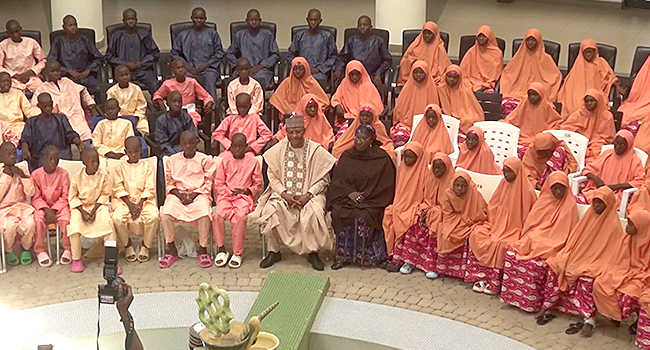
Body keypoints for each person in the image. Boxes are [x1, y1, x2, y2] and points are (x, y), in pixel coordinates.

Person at [253, 114, 337, 270]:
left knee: (314, 211)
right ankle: (274, 251)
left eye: (298, 132)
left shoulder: (315, 150)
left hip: (310, 195)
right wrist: (285, 194)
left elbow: (323, 179)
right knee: (271, 210)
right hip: (283, 194)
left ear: (304, 131)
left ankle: (313, 252)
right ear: (287, 132)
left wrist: (309, 194)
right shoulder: (278, 150)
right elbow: (272, 177)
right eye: (291, 132)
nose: (295, 136)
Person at [540, 186, 625, 337]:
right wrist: (570, 257)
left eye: (601, 203)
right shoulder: (588, 217)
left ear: (609, 204)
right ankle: (548, 305)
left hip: (598, 263)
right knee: (555, 265)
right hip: (577, 256)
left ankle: (589, 319)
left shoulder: (613, 226)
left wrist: (589, 263)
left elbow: (612, 254)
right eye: (595, 202)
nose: (597, 206)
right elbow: (574, 241)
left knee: (587, 279)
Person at [501, 172, 578, 314]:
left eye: (561, 188)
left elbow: (565, 235)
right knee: (511, 255)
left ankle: (532, 303)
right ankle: (513, 297)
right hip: (535, 239)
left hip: (553, 243)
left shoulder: (569, 206)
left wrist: (541, 239)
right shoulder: (543, 200)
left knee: (534, 260)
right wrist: (534, 237)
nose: (558, 191)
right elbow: (531, 224)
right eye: (555, 188)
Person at [327, 124, 395, 270]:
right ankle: (342, 255)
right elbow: (338, 181)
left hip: (372, 200)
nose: (359, 142)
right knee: (340, 213)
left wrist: (367, 196)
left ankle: (368, 257)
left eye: (363, 139)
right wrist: (350, 194)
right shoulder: (347, 156)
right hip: (347, 198)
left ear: (371, 140)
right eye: (357, 138)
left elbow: (386, 185)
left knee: (364, 215)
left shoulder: (382, 159)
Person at [467, 157, 537, 295]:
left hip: (516, 231)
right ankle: (481, 277)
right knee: (477, 234)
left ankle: (494, 283)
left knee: (501, 245)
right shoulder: (503, 184)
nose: (506, 175)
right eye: (504, 171)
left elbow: (531, 218)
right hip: (496, 226)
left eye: (509, 172)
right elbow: (493, 206)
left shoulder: (527, 191)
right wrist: (496, 224)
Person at [159, 131, 216, 269]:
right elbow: (169, 183)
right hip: (177, 195)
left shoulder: (205, 160)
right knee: (166, 213)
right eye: (185, 143)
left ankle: (203, 249)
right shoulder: (172, 160)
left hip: (199, 194)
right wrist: (179, 195)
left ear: (196, 144)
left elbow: (209, 183)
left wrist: (194, 194)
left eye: (191, 143)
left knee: (204, 213)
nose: (188, 146)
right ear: (181, 144)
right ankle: (171, 249)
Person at [393, 153, 454, 277]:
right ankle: (409, 261)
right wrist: (424, 210)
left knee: (433, 229)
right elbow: (424, 199)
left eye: (440, 168)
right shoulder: (429, 178)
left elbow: (450, 208)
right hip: (428, 209)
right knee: (413, 220)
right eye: (435, 168)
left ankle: (431, 266)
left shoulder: (452, 181)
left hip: (443, 216)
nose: (437, 171)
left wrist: (434, 212)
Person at [212, 133, 261, 269]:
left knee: (239, 217)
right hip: (226, 196)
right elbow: (219, 183)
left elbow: (258, 185)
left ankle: (237, 253)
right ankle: (221, 249)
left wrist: (247, 191)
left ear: (246, 147)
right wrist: (229, 193)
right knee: (217, 215)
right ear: (230, 147)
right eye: (235, 146)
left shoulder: (253, 162)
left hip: (244, 198)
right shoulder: (225, 162)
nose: (237, 150)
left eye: (240, 147)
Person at [593, 210, 650, 325]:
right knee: (599, 283)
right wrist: (621, 275)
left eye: (630, 224)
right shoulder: (627, 238)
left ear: (641, 227)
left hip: (641, 277)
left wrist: (633, 275)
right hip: (622, 271)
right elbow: (617, 261)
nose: (627, 227)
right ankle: (614, 316)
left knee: (630, 292)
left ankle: (636, 320)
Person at [384, 142, 431, 270]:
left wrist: (420, 208)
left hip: (416, 206)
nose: (408, 160)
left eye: (411, 157)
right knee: (389, 215)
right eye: (406, 157)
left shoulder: (426, 173)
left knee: (411, 220)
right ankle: (392, 255)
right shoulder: (402, 169)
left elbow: (427, 196)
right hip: (400, 204)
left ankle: (404, 260)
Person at [112, 137, 159, 263]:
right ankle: (128, 245)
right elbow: (118, 188)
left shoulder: (147, 167)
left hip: (144, 200)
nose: (134, 155)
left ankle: (146, 246)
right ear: (125, 152)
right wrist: (130, 205)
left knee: (153, 217)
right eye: (130, 152)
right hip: (124, 201)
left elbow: (149, 188)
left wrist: (139, 204)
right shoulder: (119, 168)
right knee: (117, 218)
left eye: (136, 151)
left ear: (141, 151)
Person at [68, 148, 115, 273]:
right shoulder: (77, 177)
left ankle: (111, 260)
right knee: (75, 225)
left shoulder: (104, 175)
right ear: (84, 163)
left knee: (108, 224)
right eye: (92, 162)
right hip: (80, 207)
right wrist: (83, 211)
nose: (96, 165)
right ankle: (76, 259)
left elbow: (105, 194)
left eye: (97, 161)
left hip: (98, 206)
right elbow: (72, 197)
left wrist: (94, 210)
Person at [436, 170, 488, 279]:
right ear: (452, 184)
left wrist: (465, 219)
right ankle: (442, 268)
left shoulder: (473, 194)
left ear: (468, 186)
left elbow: (479, 215)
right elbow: (447, 214)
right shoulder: (448, 194)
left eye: (463, 186)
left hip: (469, 223)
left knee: (472, 233)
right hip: (454, 221)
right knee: (443, 230)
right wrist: (460, 219)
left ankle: (461, 272)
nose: (460, 189)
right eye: (457, 185)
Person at [500, 29, 562, 116]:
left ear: (539, 42)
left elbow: (555, 77)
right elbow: (507, 74)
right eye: (528, 40)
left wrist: (538, 90)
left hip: (536, 96)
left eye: (533, 40)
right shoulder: (518, 57)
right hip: (516, 95)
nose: (530, 43)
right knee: (506, 105)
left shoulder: (546, 59)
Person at [31, 60, 96, 142]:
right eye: (52, 71)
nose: (55, 74)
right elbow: (33, 108)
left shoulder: (67, 81)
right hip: (57, 122)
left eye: (57, 71)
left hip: (76, 117)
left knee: (87, 136)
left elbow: (83, 90)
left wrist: (90, 103)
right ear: (46, 73)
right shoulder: (42, 89)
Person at [576, 130, 644, 206]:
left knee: (602, 204)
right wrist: (596, 179)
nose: (618, 147)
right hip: (597, 191)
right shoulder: (607, 154)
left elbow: (639, 181)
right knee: (575, 201)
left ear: (628, 146)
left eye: (622, 144)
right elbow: (588, 169)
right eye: (616, 143)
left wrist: (616, 187)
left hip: (617, 195)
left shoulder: (634, 160)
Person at [170, 7, 224, 101]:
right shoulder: (183, 35)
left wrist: (207, 64)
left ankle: (211, 109)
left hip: (208, 69)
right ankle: (187, 108)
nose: (198, 20)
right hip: (188, 70)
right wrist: (187, 66)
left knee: (210, 79)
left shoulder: (212, 33)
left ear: (205, 19)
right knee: (185, 80)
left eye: (201, 18)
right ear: (192, 18)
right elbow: (174, 54)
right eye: (196, 18)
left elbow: (219, 52)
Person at [31, 145, 72, 267]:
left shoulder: (63, 174)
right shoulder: (36, 175)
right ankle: (40, 250)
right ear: (43, 158)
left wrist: (54, 209)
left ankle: (68, 248)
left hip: (60, 206)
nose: (53, 162)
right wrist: (46, 209)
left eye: (56, 159)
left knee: (66, 220)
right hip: (42, 207)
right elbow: (36, 197)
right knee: (38, 220)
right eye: (50, 159)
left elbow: (65, 196)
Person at [20, 92, 84, 170]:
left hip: (62, 154)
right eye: (45, 106)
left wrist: (79, 142)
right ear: (38, 106)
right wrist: (24, 149)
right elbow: (25, 140)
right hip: (41, 157)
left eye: (50, 105)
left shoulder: (61, 118)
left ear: (52, 103)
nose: (48, 108)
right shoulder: (32, 122)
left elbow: (70, 134)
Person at [557, 39, 620, 118]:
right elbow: (569, 84)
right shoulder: (578, 65)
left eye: (590, 52)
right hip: (577, 94)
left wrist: (617, 86)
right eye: (586, 52)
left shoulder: (601, 62)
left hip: (594, 92)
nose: (588, 55)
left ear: (595, 52)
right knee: (572, 108)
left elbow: (611, 76)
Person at [105, 8, 160, 95]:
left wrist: (141, 63)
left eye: (133, 19)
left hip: (143, 70)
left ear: (136, 20)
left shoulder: (144, 35)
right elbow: (108, 56)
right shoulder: (116, 36)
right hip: (123, 72)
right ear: (124, 21)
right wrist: (125, 64)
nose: (131, 21)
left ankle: (157, 106)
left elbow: (155, 53)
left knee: (154, 84)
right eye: (128, 19)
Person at [47, 15, 103, 95]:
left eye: (75, 25)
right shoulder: (58, 42)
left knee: (97, 88)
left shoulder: (84, 40)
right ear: (64, 27)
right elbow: (51, 61)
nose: (73, 27)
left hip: (85, 76)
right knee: (66, 92)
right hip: (67, 77)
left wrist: (88, 70)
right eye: (70, 25)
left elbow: (98, 58)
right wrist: (68, 71)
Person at [225, 9, 280, 89]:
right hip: (242, 70)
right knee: (233, 82)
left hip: (262, 70)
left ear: (260, 20)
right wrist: (240, 67)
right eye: (251, 20)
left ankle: (258, 101)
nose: (254, 22)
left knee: (258, 81)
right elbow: (229, 53)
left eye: (256, 20)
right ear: (246, 21)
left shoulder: (267, 34)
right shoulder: (239, 35)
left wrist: (261, 66)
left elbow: (275, 54)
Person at [505, 82, 562, 157]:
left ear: (541, 95)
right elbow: (510, 120)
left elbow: (557, 124)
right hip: (521, 139)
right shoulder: (524, 104)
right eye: (530, 95)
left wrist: (543, 137)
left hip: (540, 143)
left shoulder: (547, 107)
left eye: (535, 95)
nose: (532, 97)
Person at [0, 142, 34, 267]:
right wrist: (7, 177)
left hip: (22, 207)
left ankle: (25, 248)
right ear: (1, 157)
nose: (12, 157)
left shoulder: (22, 170)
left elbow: (31, 191)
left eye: (14, 154)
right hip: (4, 209)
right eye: (8, 154)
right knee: (9, 228)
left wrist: (23, 176)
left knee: (31, 224)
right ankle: (8, 250)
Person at [390, 61, 439, 147]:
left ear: (426, 73)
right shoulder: (407, 89)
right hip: (406, 125)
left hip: (427, 126)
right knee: (399, 136)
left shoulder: (431, 90)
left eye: (421, 72)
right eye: (416, 72)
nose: (418, 75)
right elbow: (399, 110)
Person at [335, 15, 391, 90]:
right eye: (360, 25)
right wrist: (338, 69)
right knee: (338, 79)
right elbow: (342, 57)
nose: (362, 27)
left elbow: (387, 60)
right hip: (354, 75)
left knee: (378, 83)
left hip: (372, 74)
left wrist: (379, 73)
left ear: (370, 27)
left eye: (365, 25)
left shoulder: (378, 41)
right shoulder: (352, 41)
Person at [153, 59, 214, 126]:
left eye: (183, 67)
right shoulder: (167, 84)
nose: (181, 70)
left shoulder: (192, 82)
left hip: (189, 112)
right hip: (173, 112)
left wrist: (208, 102)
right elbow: (157, 94)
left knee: (191, 123)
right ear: (173, 71)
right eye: (178, 68)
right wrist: (160, 101)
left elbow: (206, 95)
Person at [561, 89, 616, 163]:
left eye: (592, 101)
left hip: (597, 146)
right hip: (577, 144)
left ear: (598, 101)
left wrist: (594, 146)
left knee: (597, 155)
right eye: (587, 101)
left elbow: (608, 138)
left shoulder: (607, 116)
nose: (589, 103)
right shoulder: (577, 114)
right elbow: (565, 131)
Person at [287, 9, 338, 85]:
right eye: (311, 20)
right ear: (307, 20)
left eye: (316, 20)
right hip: (300, 71)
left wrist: (319, 69)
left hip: (319, 72)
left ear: (320, 21)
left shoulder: (327, 37)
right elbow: (290, 55)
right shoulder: (299, 36)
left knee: (318, 81)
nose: (313, 22)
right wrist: (300, 68)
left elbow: (333, 57)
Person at [331, 105, 396, 164]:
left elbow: (384, 142)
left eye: (368, 116)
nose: (364, 118)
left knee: (391, 154)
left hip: (375, 153)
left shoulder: (378, 126)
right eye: (362, 115)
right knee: (337, 150)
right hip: (355, 150)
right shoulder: (355, 124)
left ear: (373, 116)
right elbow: (347, 140)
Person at [330, 60, 384, 130]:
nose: (354, 77)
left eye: (357, 74)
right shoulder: (344, 84)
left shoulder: (368, 86)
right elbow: (336, 98)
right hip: (348, 119)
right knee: (342, 136)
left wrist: (361, 116)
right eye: (352, 74)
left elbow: (374, 106)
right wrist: (337, 105)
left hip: (365, 120)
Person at [397, 21, 451, 87]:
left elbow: (445, 67)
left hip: (433, 80)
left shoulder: (440, 48)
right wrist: (413, 61)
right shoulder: (415, 45)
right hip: (415, 77)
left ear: (435, 35)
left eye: (430, 33)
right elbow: (404, 61)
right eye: (425, 33)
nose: (427, 36)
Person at [436, 64, 484, 135]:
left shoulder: (465, 91)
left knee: (467, 121)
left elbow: (474, 114)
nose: (451, 80)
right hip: (445, 119)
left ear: (459, 79)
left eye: (455, 78)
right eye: (449, 77)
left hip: (461, 121)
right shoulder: (440, 89)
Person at [0, 20, 46, 92]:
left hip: (31, 78)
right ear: (8, 33)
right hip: (12, 80)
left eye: (17, 31)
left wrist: (31, 72)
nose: (15, 35)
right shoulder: (3, 45)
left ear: (21, 29)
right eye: (12, 33)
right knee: (11, 96)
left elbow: (43, 60)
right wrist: (15, 75)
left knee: (44, 91)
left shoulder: (31, 42)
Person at [106, 65, 149, 136]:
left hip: (135, 117)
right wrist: (120, 117)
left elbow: (141, 106)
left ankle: (140, 140)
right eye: (121, 75)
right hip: (118, 118)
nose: (125, 77)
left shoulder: (136, 89)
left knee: (143, 125)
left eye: (126, 74)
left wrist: (136, 116)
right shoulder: (111, 91)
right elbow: (110, 107)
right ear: (116, 77)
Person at [459, 25, 503, 92]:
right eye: (479, 36)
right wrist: (469, 87)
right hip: (469, 84)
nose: (481, 38)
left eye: (484, 36)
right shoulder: (472, 51)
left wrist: (481, 89)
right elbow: (463, 72)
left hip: (486, 87)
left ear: (489, 38)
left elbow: (494, 78)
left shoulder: (496, 53)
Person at [154, 91, 198, 156]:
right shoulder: (161, 120)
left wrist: (184, 150)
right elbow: (162, 143)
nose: (177, 104)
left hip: (187, 150)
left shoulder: (186, 118)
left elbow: (193, 136)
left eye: (179, 102)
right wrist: (175, 153)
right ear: (167, 103)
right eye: (174, 101)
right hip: (168, 153)